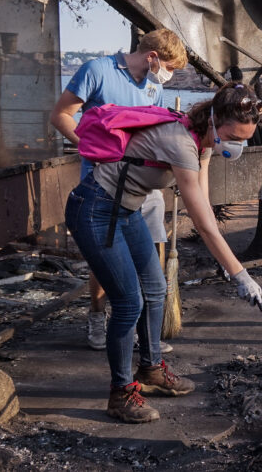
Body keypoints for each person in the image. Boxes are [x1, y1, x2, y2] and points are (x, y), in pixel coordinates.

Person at [64, 83, 262, 423]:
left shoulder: (202, 143)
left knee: (156, 289)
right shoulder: (182, 143)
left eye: (245, 139)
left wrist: (233, 267)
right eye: (234, 136)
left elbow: (203, 205)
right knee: (129, 302)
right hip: (95, 210)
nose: (237, 144)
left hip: (126, 210)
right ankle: (120, 394)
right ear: (216, 122)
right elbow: (203, 227)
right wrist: (240, 274)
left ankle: (151, 369)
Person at [51, 28, 186, 352]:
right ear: (152, 57)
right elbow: (60, 115)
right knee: (106, 259)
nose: (169, 75)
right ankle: (97, 317)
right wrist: (96, 148)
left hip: (144, 186)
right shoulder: (97, 71)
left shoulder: (154, 86)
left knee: (149, 256)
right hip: (103, 185)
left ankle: (146, 335)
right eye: (169, 66)